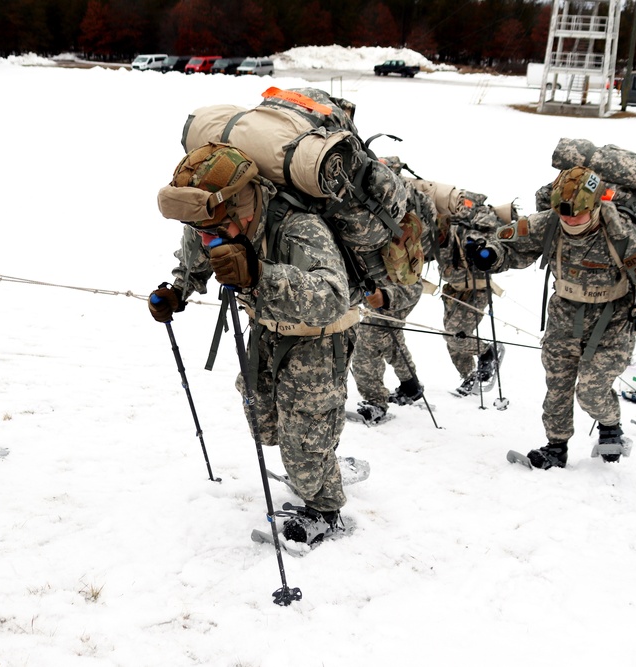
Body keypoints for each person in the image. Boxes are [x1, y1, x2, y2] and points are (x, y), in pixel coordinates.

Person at [150, 143, 357, 546]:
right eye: (200, 230)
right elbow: (195, 260)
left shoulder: (298, 227)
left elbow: (333, 297)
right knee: (265, 424)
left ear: (242, 206)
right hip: (263, 332)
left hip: (316, 341)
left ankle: (326, 510)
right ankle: (320, 457)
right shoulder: (207, 221)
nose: (204, 236)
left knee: (303, 438)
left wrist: (260, 275)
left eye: (211, 230)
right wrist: (178, 291)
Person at [470, 166, 636, 469]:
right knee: (558, 386)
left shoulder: (623, 235)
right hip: (564, 316)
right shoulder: (549, 223)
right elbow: (509, 244)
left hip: (613, 322)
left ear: (594, 207)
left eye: (576, 215)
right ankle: (555, 446)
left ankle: (609, 425)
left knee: (591, 391)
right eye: (563, 214)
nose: (569, 220)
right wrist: (490, 254)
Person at [350, 176, 437, 423]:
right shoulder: (376, 214)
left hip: (398, 288)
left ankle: (375, 402)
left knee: (368, 343)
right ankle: (411, 385)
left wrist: (386, 296)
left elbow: (411, 281)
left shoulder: (392, 217)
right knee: (391, 336)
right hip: (391, 286)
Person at [436, 193, 510, 396]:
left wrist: (477, 248)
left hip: (477, 289)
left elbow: (490, 241)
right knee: (452, 336)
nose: (461, 205)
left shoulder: (482, 221)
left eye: (464, 202)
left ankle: (487, 352)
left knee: (454, 335)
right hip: (453, 289)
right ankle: (469, 375)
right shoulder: (448, 221)